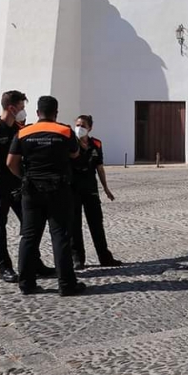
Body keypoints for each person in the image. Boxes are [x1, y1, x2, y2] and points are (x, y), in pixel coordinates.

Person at [7, 96, 86, 296]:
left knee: (29, 237)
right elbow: (75, 154)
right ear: (56, 113)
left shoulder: (23, 132)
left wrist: (25, 177)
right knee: (60, 236)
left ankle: (26, 283)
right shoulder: (65, 131)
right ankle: (67, 285)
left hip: (32, 190)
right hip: (58, 189)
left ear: (37, 113)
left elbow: (10, 162)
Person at [0, 91, 54, 283]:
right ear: (11, 108)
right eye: (21, 107)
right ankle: (4, 267)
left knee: (30, 225)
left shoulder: (20, 129)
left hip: (18, 185)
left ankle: (34, 263)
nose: (23, 111)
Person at [69, 115, 121, 270]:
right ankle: (77, 259)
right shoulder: (70, 143)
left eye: (83, 125)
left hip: (90, 188)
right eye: (77, 124)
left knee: (96, 223)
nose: (79, 128)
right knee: (74, 225)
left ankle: (105, 257)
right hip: (73, 189)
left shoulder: (96, 144)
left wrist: (106, 188)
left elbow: (99, 167)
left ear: (90, 128)